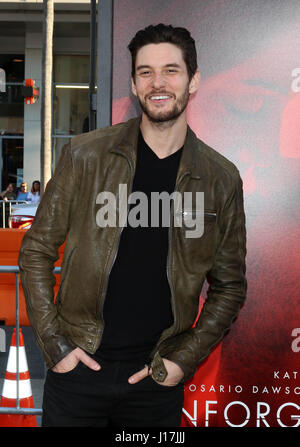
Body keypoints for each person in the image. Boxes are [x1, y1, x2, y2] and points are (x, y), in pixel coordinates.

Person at [18, 24, 247, 427]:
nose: (158, 82)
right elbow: (36, 250)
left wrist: (182, 359)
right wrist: (55, 345)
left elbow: (230, 286)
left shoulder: (220, 178)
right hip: (77, 373)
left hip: (155, 381)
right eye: (145, 72)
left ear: (193, 81)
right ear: (133, 83)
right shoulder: (85, 156)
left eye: (171, 70)